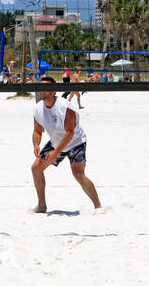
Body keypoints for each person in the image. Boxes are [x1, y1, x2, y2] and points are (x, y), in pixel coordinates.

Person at [31, 75, 100, 213]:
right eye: (40, 87)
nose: (42, 90)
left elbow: (69, 132)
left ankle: (98, 206)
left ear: (53, 91)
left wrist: (55, 153)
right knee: (36, 168)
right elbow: (37, 131)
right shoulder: (38, 108)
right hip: (56, 142)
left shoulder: (65, 107)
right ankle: (42, 204)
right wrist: (36, 145)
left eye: (46, 87)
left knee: (78, 174)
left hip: (75, 141)